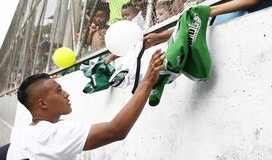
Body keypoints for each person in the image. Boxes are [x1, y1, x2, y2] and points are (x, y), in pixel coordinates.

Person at [7, 50, 165, 160]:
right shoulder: (55, 133)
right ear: (42, 103)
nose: (66, 94)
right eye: (59, 90)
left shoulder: (25, 134)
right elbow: (116, 130)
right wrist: (148, 82)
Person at [144, 0, 272, 48]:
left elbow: (253, 0)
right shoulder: (208, 17)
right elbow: (185, 27)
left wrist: (208, 12)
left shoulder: (211, 13)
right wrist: (158, 37)